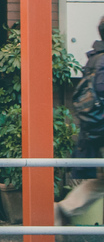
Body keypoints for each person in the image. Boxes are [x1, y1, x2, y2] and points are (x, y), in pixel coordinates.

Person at [56, 15, 104, 224]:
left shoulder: (95, 58)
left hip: (95, 131)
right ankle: (65, 209)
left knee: (101, 182)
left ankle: (65, 209)